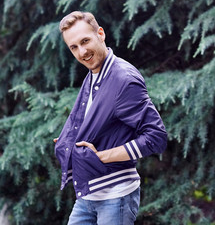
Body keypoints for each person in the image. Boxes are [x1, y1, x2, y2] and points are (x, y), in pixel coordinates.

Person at [53, 11, 167, 225]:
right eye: (74, 47)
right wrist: (71, 142)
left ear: (101, 34)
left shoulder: (123, 79)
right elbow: (104, 125)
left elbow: (156, 137)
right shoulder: (95, 74)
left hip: (116, 196)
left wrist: (102, 156)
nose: (82, 52)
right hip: (88, 195)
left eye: (85, 41)